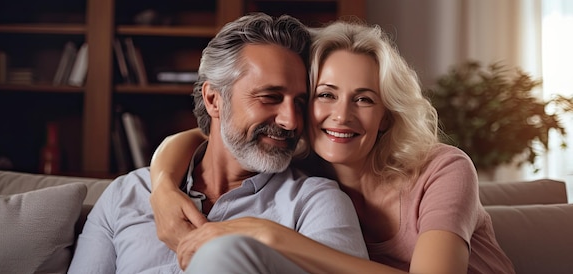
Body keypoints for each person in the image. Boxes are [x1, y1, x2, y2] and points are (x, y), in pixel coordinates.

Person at [150, 19, 516, 273]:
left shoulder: (442, 169)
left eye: (365, 99)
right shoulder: (304, 168)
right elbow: (207, 136)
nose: (341, 116)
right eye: (326, 95)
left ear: (387, 115)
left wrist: (270, 235)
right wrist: (163, 187)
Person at [68, 13, 369, 273]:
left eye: (300, 102)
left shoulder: (314, 203)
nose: (291, 121)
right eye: (270, 98)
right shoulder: (126, 195)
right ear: (214, 99)